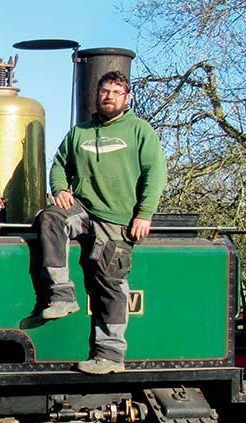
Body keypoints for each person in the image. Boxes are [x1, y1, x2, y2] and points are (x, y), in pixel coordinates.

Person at [34, 70, 166, 375]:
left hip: (118, 218)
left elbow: (155, 174)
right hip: (84, 209)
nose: (109, 97)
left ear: (127, 98)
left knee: (111, 284)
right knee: (50, 218)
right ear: (97, 94)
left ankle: (110, 354)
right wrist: (60, 189)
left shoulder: (139, 131)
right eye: (105, 91)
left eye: (116, 93)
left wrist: (144, 214)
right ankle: (62, 294)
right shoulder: (79, 132)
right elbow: (58, 164)